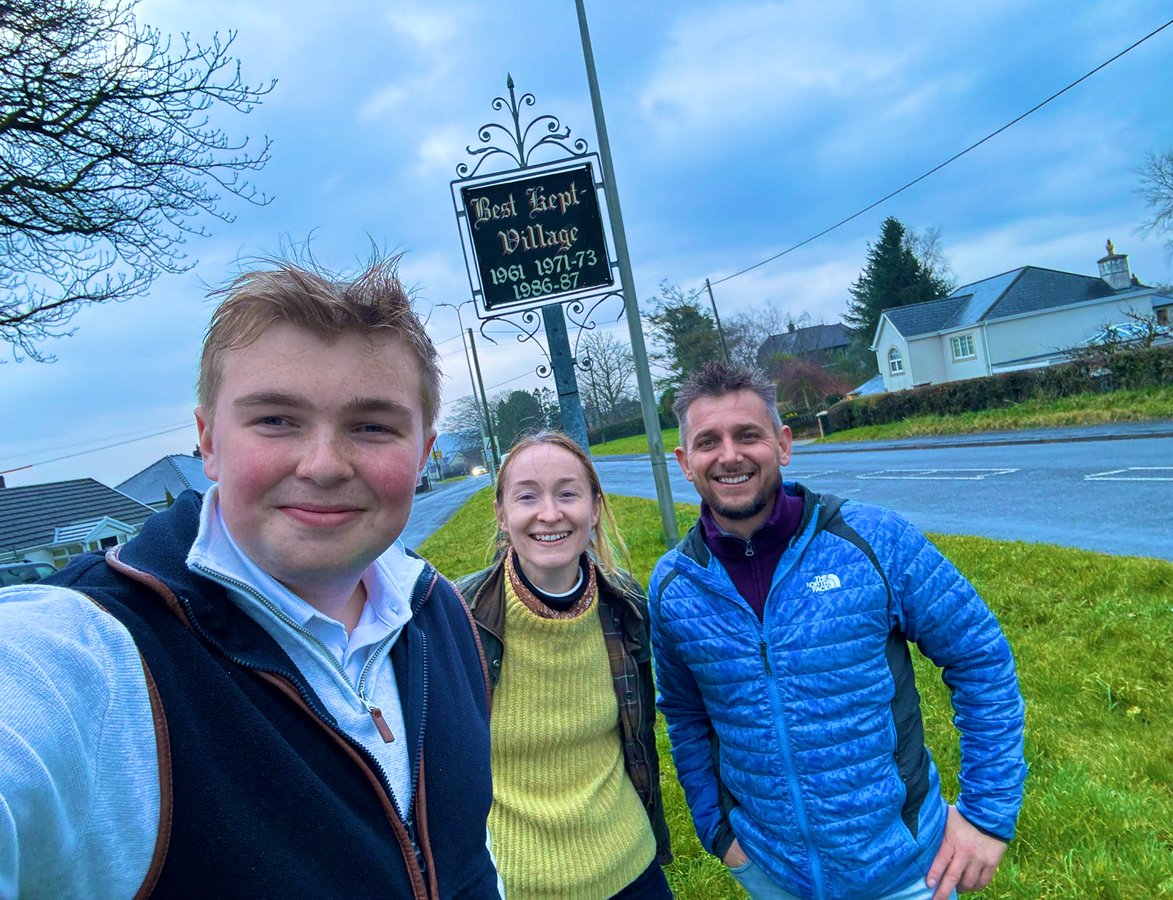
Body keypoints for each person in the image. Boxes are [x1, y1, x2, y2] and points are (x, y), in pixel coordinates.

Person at [0, 258, 501, 898]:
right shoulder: (95, 655)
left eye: (373, 426)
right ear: (207, 442)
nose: (323, 465)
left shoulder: (442, 614)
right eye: (276, 420)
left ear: (425, 452)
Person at [648, 362, 1026, 900]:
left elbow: (979, 656)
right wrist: (717, 831)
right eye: (708, 441)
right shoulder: (674, 586)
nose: (729, 455)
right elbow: (685, 717)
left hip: (905, 872)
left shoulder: (873, 539)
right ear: (685, 463)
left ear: (782, 444)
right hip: (772, 875)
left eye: (748, 435)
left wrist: (988, 815)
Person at [456, 431, 673, 899]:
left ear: (594, 509)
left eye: (568, 493)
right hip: (516, 885)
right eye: (527, 496)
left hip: (633, 870)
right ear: (501, 513)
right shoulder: (458, 615)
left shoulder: (625, 605)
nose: (549, 514)